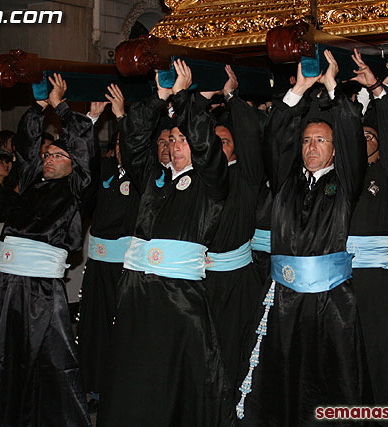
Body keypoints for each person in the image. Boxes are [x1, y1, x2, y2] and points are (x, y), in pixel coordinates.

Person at [98, 60, 232, 426]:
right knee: (134, 368)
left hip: (180, 297)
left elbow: (206, 147)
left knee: (179, 372)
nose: (175, 146)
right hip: (137, 292)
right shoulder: (153, 179)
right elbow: (134, 138)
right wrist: (158, 97)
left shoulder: (211, 183)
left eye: (182, 139)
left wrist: (186, 99)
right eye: (171, 140)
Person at [236, 50, 366, 426]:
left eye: (321, 141)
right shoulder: (285, 183)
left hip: (332, 302)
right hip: (285, 298)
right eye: (307, 140)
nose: (311, 147)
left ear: (335, 149)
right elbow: (275, 141)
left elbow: (354, 141)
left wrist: (333, 89)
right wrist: (296, 92)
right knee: (282, 374)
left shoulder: (345, 184)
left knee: (331, 377)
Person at [0, 74, 93, 427]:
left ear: (73, 163)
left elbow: (81, 144)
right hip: (1, 282)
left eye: (58, 155)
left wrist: (62, 106)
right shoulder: (33, 180)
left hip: (39, 288)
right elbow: (28, 146)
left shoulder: (77, 187)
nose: (49, 159)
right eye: (48, 154)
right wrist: (39, 107)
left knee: (51, 359)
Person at [344, 56, 388, 407]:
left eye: (370, 136)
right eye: (360, 136)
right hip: (339, 281)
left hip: (377, 282)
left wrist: (377, 91)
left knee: (385, 357)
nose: (364, 141)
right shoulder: (342, 180)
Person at [75, 102, 142, 409]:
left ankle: (122, 388)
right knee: (94, 327)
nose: (120, 149)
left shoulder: (146, 178)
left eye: (126, 144)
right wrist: (91, 121)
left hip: (126, 268)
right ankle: (95, 387)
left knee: (123, 329)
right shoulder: (102, 170)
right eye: (117, 143)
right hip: (98, 266)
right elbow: (82, 161)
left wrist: (123, 119)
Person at [201, 66, 264, 390]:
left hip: (238, 282)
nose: (219, 146)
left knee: (234, 350)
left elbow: (251, 135)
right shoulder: (200, 180)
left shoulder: (247, 176)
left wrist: (231, 98)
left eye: (225, 141)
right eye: (214, 142)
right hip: (201, 280)